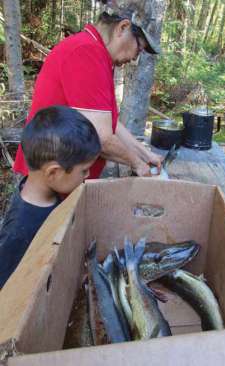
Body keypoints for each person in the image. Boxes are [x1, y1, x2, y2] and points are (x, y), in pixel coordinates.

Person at [13, 0, 163, 179]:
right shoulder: (87, 52)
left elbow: (109, 125)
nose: (133, 59)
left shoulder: (96, 52)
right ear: (122, 27)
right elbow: (102, 137)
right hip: (49, 182)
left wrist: (145, 155)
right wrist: (137, 163)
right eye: (138, 49)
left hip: (60, 177)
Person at [0, 106, 101, 288]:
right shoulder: (20, 231)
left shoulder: (51, 192)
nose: (87, 176)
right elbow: (7, 289)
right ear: (53, 172)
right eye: (84, 170)